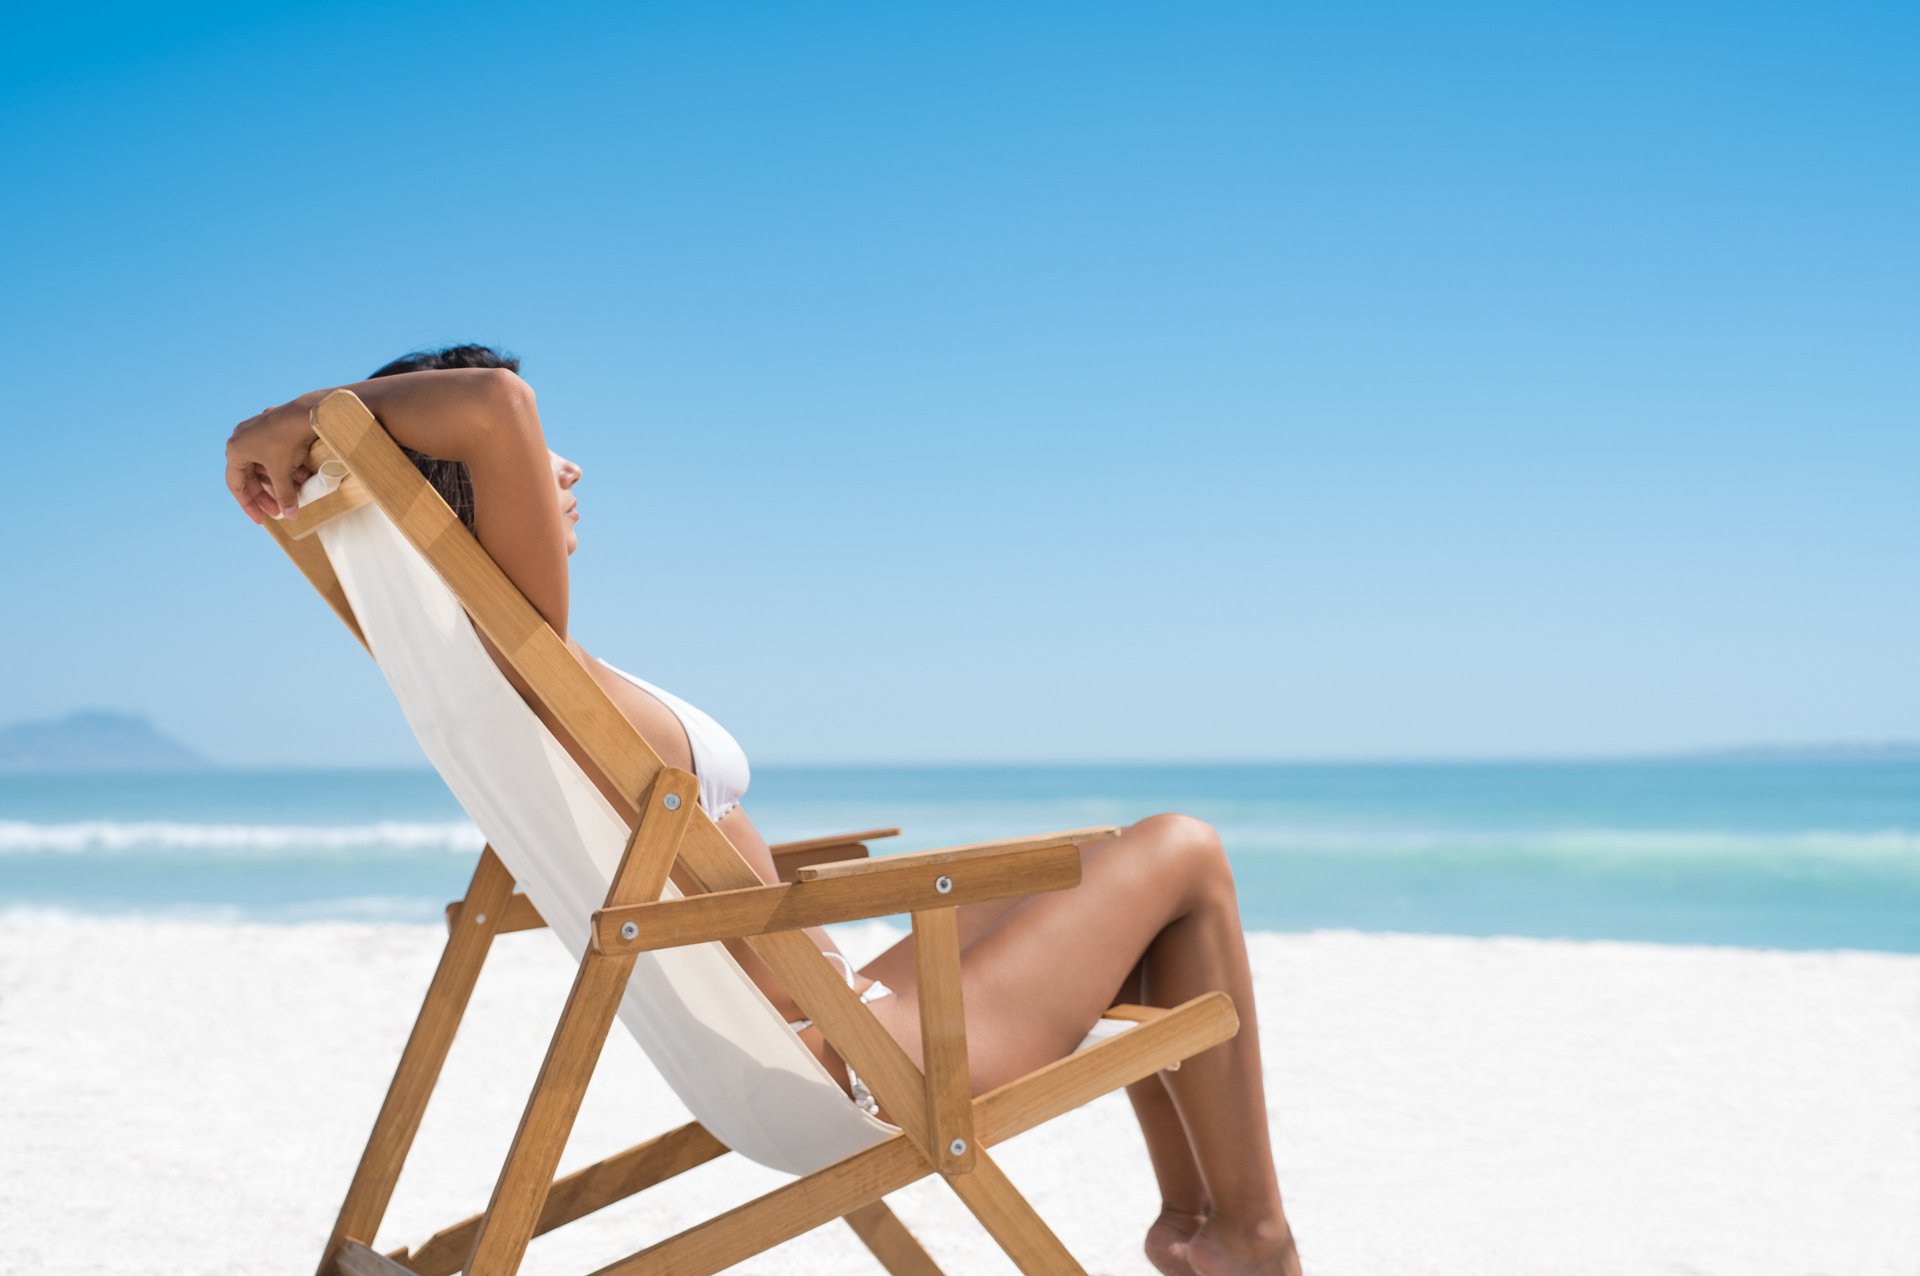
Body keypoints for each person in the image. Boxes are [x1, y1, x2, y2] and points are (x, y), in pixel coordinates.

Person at [224, 345, 1303, 1276]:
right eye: (542, 461)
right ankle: (1250, 1240)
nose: (568, 466)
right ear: (458, 482)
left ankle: (1202, 1225)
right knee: (1185, 850)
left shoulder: (490, 681)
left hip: (806, 1028)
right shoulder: (527, 665)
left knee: (1114, 871)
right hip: (855, 1063)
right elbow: (499, 400)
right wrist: (290, 420)